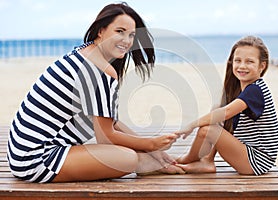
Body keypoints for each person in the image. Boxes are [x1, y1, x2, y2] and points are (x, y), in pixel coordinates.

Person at [7, 2, 183, 183]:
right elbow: (106, 138)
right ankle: (146, 164)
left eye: (131, 35)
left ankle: (150, 163)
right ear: (101, 30)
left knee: (129, 154)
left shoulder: (82, 54)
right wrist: (150, 144)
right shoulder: (100, 70)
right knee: (127, 158)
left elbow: (110, 121)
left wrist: (151, 150)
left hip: (21, 154)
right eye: (119, 31)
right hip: (38, 160)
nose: (127, 41)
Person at [175, 36, 278, 175]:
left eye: (249, 62)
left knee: (208, 129)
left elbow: (226, 112)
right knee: (215, 112)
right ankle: (206, 161)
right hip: (249, 155)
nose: (242, 66)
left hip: (256, 161)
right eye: (238, 60)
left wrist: (192, 125)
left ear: (262, 65)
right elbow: (223, 114)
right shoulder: (244, 90)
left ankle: (186, 161)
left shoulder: (255, 90)